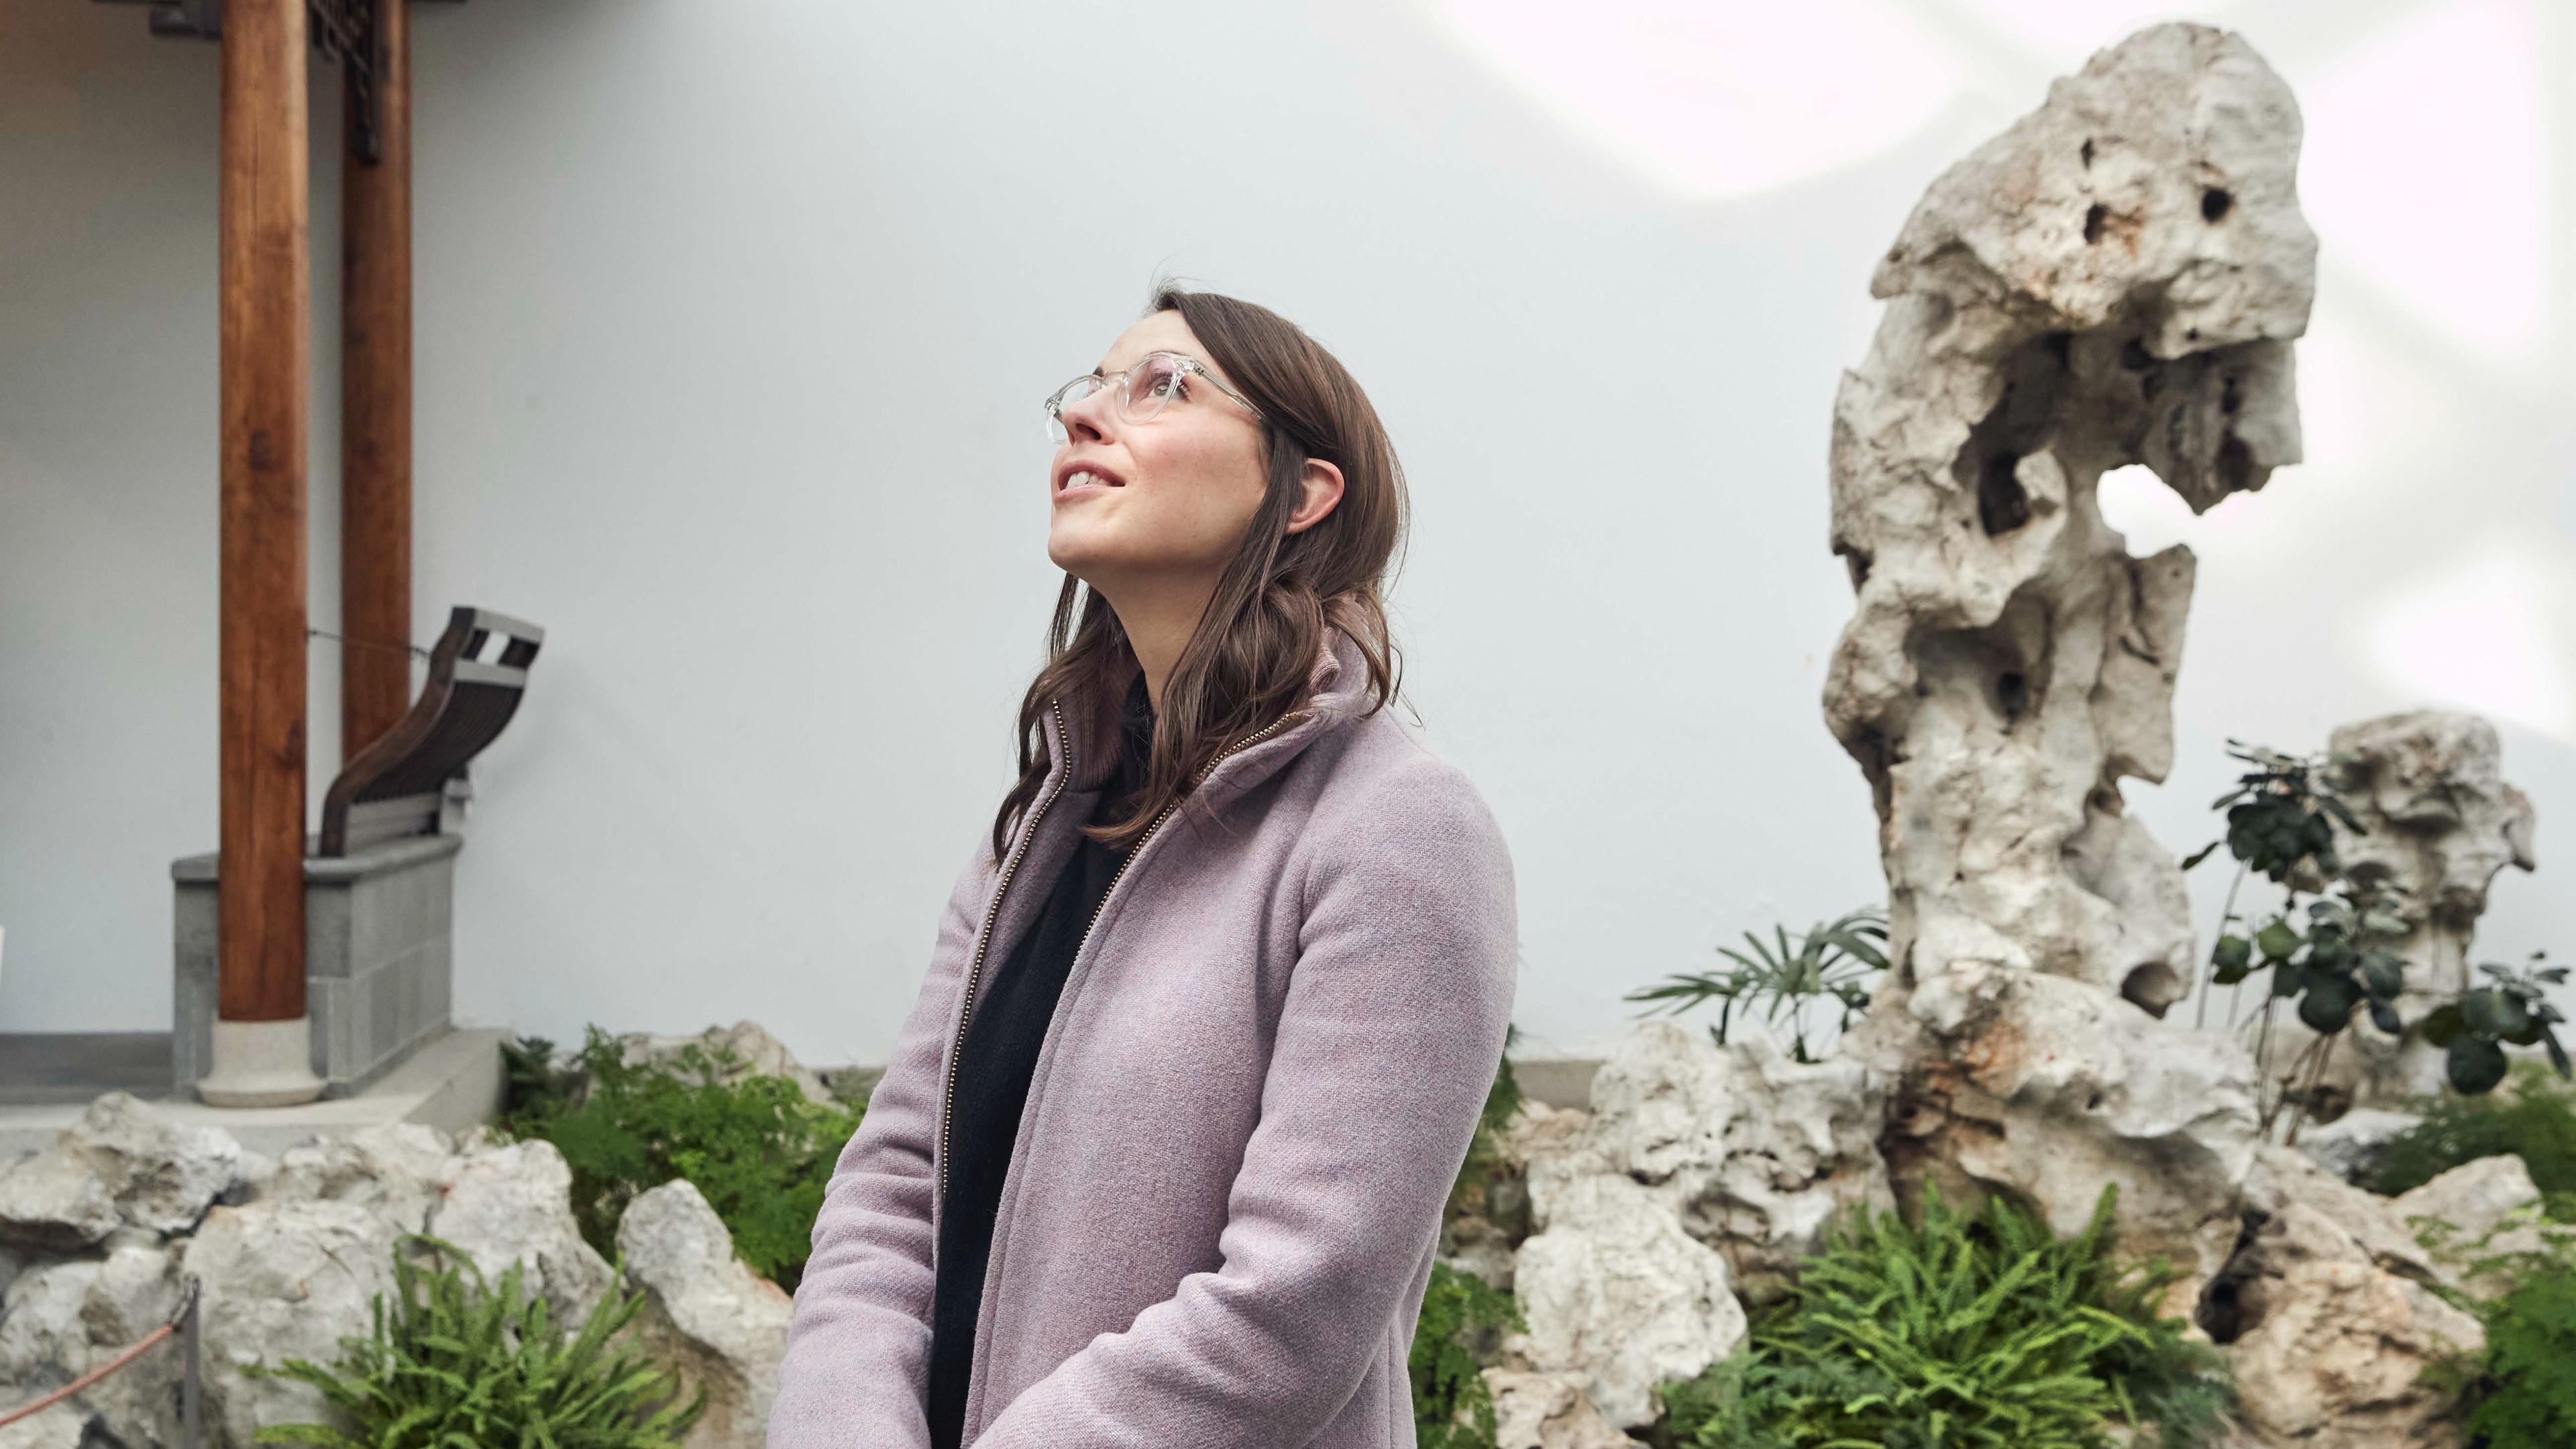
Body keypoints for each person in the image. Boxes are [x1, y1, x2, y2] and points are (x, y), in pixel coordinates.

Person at [767, 284, 1518, 1449]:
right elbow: (893, 1188)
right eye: (1091, 388)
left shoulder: (1397, 829)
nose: (1085, 418)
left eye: (1162, 386)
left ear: (1305, 493)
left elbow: (1294, 1304)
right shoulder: (1045, 822)